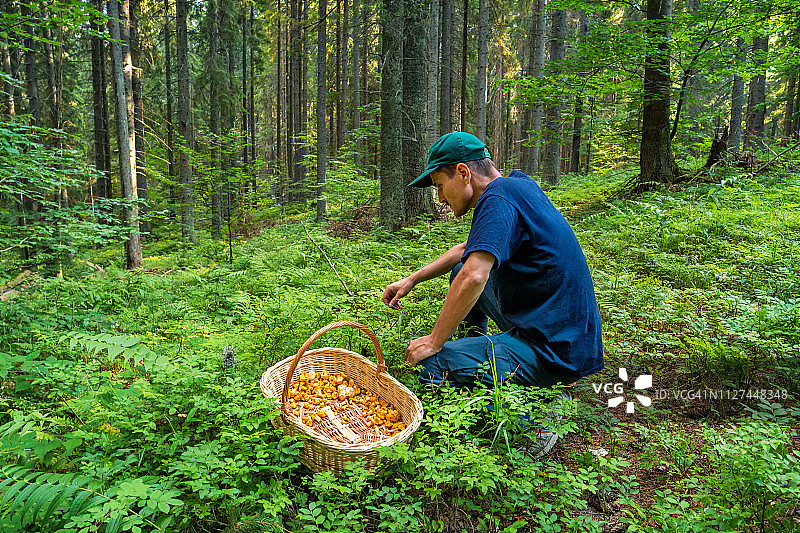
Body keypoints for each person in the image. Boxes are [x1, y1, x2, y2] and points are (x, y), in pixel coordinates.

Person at [381, 132, 604, 455]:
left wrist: (434, 341)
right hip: (559, 325)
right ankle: (486, 360)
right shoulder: (515, 187)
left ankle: (534, 420)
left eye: (440, 186)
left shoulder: (497, 201)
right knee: (461, 270)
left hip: (556, 348)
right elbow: (465, 253)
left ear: (463, 172)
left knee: (432, 366)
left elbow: (475, 276)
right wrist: (413, 279)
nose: (440, 199)